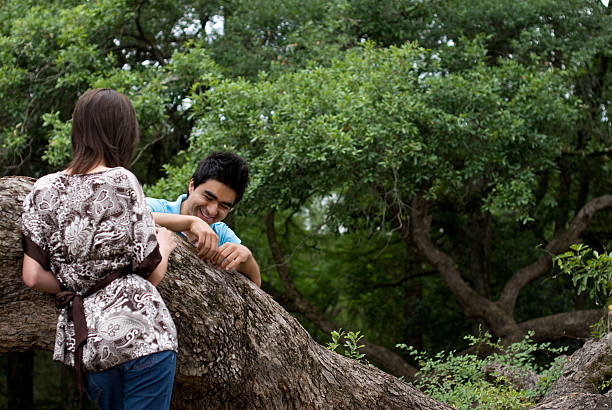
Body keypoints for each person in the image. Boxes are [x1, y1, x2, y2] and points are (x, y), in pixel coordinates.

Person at [21, 88, 178, 410]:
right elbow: (149, 273)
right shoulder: (122, 180)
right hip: (144, 335)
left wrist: (80, 286)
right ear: (124, 132)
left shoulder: (42, 189)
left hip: (89, 345)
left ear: (78, 130)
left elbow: (33, 277)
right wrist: (165, 244)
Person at [147, 152, 261, 287]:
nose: (212, 210)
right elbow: (130, 218)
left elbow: (256, 285)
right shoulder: (156, 207)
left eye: (224, 206)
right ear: (192, 186)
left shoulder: (222, 235)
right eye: (208, 197)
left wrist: (247, 258)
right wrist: (190, 222)